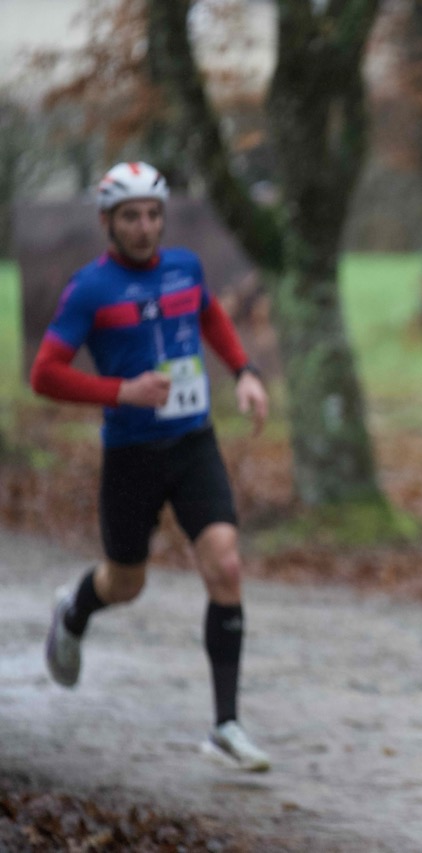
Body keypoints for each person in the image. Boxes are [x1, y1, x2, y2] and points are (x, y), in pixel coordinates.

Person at [31, 161, 272, 772]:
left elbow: (210, 316)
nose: (144, 227)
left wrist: (244, 372)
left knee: (225, 564)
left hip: (193, 443)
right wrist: (120, 392)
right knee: (126, 582)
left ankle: (225, 726)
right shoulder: (90, 289)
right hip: (131, 454)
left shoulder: (185, 268)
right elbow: (45, 374)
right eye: (131, 217)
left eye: (153, 215)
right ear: (107, 222)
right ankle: (74, 609)